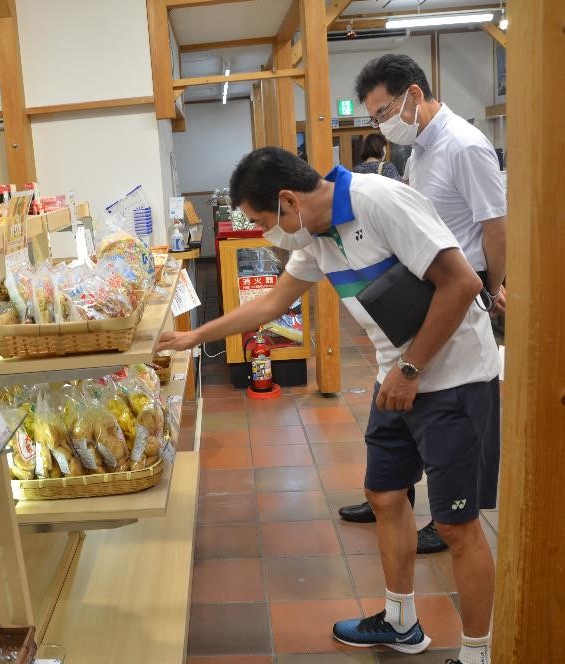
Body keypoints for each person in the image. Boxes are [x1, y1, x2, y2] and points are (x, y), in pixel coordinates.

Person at [157, 147, 500, 664]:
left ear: (288, 200)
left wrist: (412, 370)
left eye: (261, 221)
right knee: (385, 496)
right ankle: (401, 622)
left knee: (456, 525)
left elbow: (462, 282)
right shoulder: (315, 238)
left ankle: (478, 655)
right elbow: (272, 303)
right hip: (396, 377)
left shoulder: (378, 199)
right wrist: (194, 337)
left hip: (453, 378)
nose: (263, 232)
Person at [337, 54, 507, 553]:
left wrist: (491, 290)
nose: (381, 124)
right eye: (373, 118)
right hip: (422, 283)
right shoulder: (420, 151)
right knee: (402, 393)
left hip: (461, 284)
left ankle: (447, 515)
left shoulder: (465, 145)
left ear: (413, 94)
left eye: (383, 111)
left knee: (441, 399)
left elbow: (495, 228)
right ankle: (393, 494)